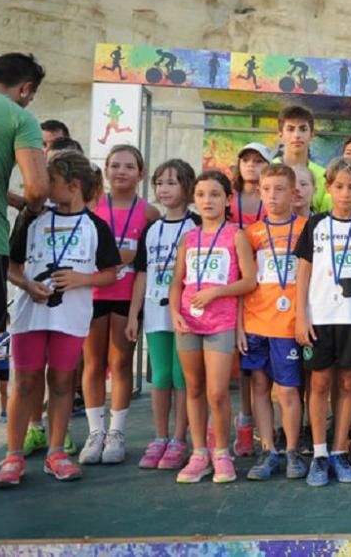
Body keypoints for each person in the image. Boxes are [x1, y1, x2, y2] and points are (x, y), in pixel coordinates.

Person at [0, 151, 120, 488]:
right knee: (26, 381)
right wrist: (26, 284)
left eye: (49, 181)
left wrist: (83, 279)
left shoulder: (96, 226)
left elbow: (110, 273)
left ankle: (56, 452)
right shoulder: (31, 219)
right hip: (30, 315)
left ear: (73, 185)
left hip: (71, 318)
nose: (40, 187)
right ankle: (13, 455)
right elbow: (11, 265)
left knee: (63, 383)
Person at [0, 53, 49, 503]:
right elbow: (39, 188)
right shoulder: (19, 117)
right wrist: (31, 204)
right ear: (24, 89)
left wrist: (12, 199)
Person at [294, 159, 351, 486]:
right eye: (339, 187)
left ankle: (338, 450)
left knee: (347, 384)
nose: (346, 194)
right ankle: (318, 453)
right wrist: (301, 316)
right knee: (318, 384)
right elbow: (303, 272)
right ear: (328, 188)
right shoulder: (315, 224)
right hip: (319, 318)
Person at [170, 172, 257, 484]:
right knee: (193, 389)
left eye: (215, 194)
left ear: (227, 199)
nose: (208, 200)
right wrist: (173, 313)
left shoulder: (236, 235)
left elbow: (249, 280)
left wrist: (217, 292)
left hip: (220, 323)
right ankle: (199, 453)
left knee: (217, 391)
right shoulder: (188, 238)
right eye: (202, 194)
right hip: (188, 322)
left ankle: (221, 451)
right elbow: (176, 282)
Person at [81, 145, 159, 466]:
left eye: (129, 166)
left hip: (128, 297)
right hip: (92, 295)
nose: (121, 171)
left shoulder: (149, 213)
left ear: (141, 173)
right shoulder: (92, 206)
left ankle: (116, 432)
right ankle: (95, 431)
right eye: (115, 165)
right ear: (106, 170)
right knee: (93, 364)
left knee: (121, 362)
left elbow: (144, 263)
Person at [126, 159, 200, 470]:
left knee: (183, 376)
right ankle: (160, 436)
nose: (164, 189)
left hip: (187, 312)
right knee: (160, 375)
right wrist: (133, 314)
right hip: (156, 310)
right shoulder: (152, 229)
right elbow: (142, 273)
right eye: (159, 183)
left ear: (187, 186)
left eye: (171, 182)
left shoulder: (196, 224)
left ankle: (180, 438)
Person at [240, 164, 308, 481]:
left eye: (279, 189)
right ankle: (269, 450)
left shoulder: (307, 228)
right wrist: (240, 325)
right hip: (256, 323)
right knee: (259, 387)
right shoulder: (250, 234)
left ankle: (292, 450)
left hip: (290, 325)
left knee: (289, 392)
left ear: (294, 193)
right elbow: (243, 283)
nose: (272, 195)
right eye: (266, 189)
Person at [228, 142, 272, 457]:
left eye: (259, 161)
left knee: (260, 365)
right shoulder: (227, 198)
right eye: (247, 160)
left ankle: (270, 430)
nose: (252, 165)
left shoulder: (271, 200)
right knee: (239, 362)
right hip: (231, 282)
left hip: (265, 285)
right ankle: (244, 422)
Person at [273, 105, 326, 212]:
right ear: (280, 134)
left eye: (303, 129)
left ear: (311, 134)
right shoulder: (268, 169)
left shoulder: (324, 175)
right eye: (290, 129)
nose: (297, 135)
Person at [230, 142, 271, 230]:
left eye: (258, 161)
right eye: (245, 160)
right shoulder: (227, 196)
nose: (250, 165)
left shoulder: (274, 197)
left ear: (269, 166)